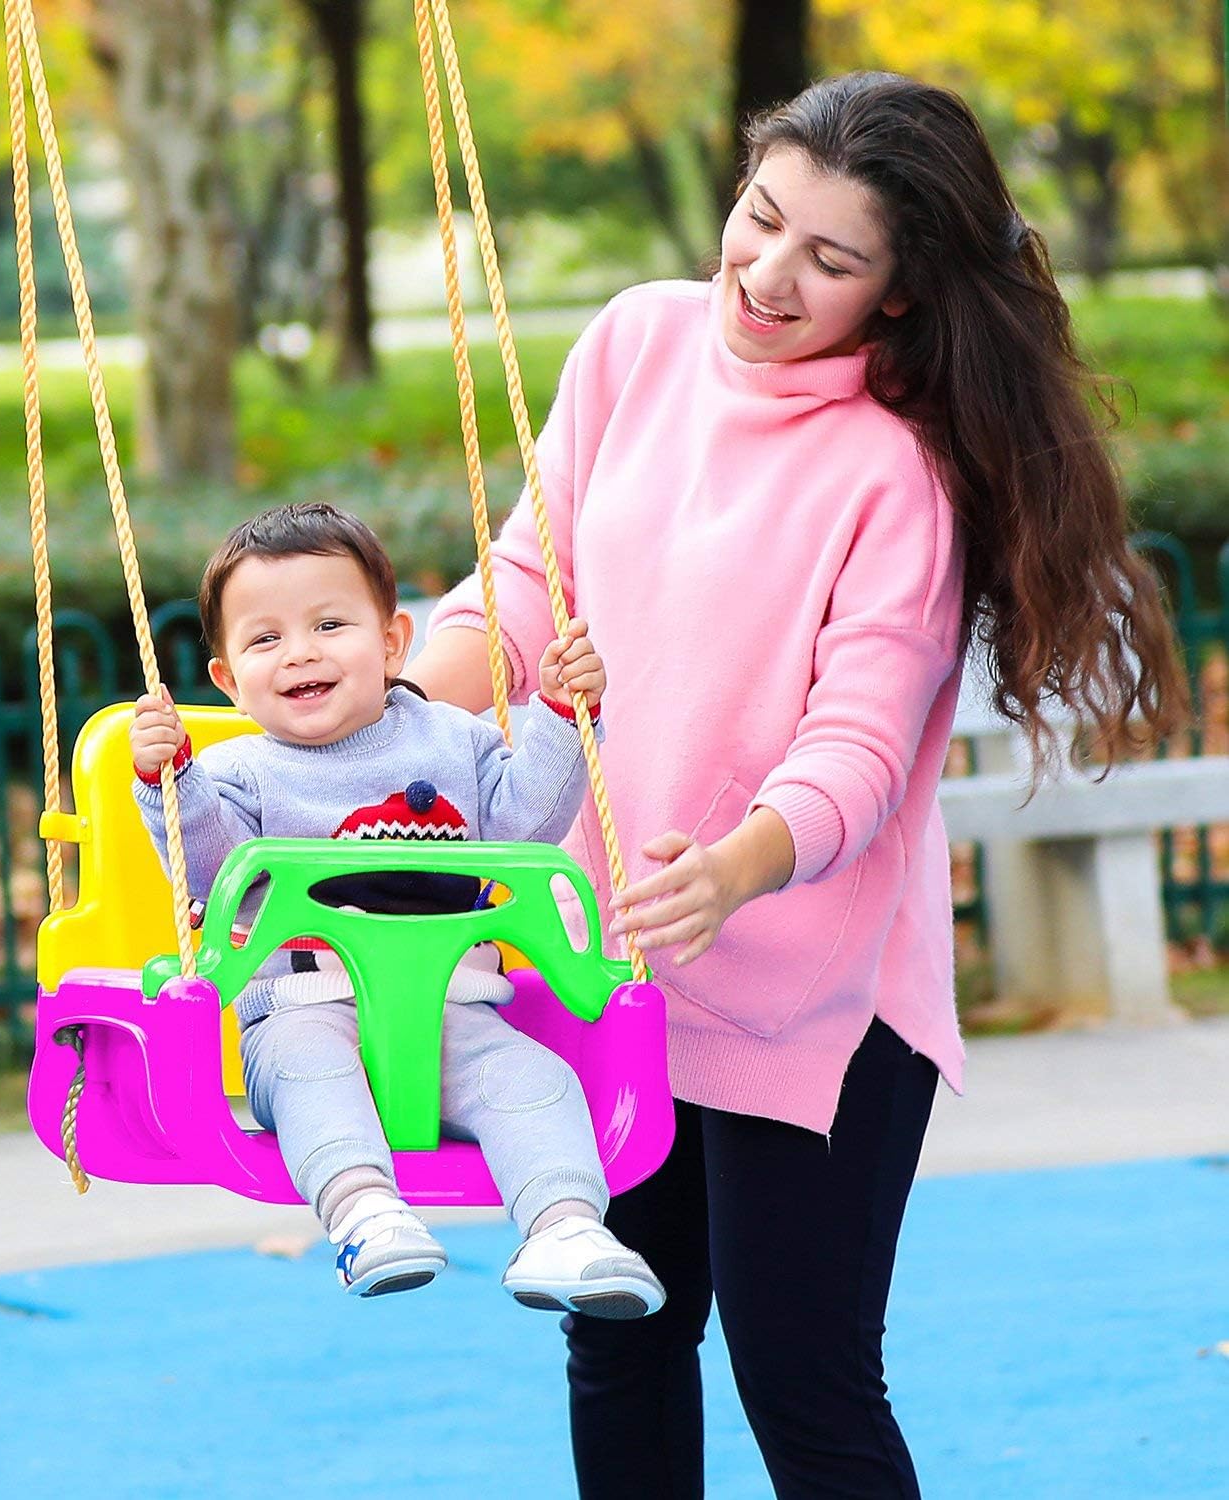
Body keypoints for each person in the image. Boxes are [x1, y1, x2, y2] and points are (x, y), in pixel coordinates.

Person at [408, 72, 1187, 1499]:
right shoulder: (639, 342)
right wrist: (384, 706)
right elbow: (527, 583)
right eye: (760, 219)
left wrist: (736, 864)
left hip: (817, 999)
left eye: (827, 261)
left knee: (803, 1380)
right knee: (621, 1335)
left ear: (896, 298)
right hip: (613, 960)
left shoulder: (900, 474)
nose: (765, 273)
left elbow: (861, 744)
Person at [129, 501, 666, 1318]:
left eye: (329, 624)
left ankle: (564, 1227)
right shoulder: (241, 772)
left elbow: (527, 824)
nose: (300, 652)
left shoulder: (455, 740)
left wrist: (561, 718)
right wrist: (171, 782)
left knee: (537, 1080)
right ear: (230, 681)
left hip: (457, 1010)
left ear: (390, 643)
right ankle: (364, 1214)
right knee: (311, 1081)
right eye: (266, 639)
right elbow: (206, 872)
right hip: (306, 1009)